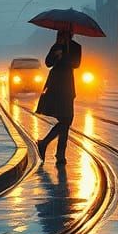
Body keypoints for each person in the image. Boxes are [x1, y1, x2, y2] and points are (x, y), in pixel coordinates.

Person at [37, 29, 82, 165]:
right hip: (56, 86)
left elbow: (76, 64)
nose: (61, 36)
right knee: (65, 119)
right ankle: (59, 154)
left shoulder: (75, 47)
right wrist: (56, 54)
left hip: (67, 85)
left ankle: (45, 144)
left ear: (70, 34)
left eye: (64, 34)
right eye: (60, 34)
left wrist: (64, 56)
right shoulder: (56, 46)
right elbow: (48, 63)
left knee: (67, 119)